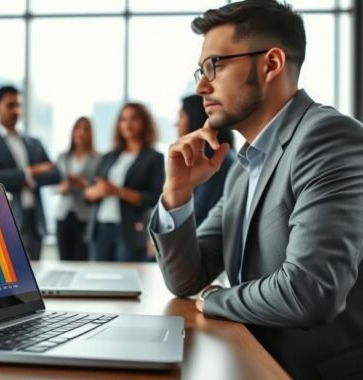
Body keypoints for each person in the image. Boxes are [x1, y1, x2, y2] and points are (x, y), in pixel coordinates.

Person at [148, 1, 363, 378]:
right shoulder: (243, 169)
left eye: (215, 65)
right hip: (249, 360)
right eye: (201, 70)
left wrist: (216, 298)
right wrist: (177, 191)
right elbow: (185, 279)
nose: (201, 85)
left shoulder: (327, 138)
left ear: (271, 64)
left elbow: (309, 293)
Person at [0, 85, 60, 260]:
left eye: (19, 105)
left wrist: (22, 178)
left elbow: (56, 175)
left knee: (37, 277)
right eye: (10, 105)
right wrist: (33, 171)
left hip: (35, 222)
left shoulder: (33, 143)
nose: (16, 111)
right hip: (4, 222)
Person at [85, 103, 165, 262]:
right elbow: (89, 194)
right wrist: (95, 192)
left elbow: (155, 199)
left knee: (128, 281)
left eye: (134, 119)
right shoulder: (108, 157)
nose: (127, 124)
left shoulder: (154, 158)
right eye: (123, 119)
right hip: (101, 227)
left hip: (130, 230)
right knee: (100, 280)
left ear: (145, 123)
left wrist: (117, 191)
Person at [177, 94, 236, 226]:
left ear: (195, 118)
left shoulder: (214, 159)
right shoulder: (221, 155)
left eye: (181, 116)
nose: (176, 123)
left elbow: (199, 213)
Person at [55, 117, 101, 261]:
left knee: (82, 258)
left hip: (85, 216)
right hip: (63, 214)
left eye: (85, 129)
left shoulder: (98, 158)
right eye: (78, 128)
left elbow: (99, 187)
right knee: (64, 259)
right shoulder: (63, 157)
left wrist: (83, 184)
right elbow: (56, 186)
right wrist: (64, 187)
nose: (81, 132)